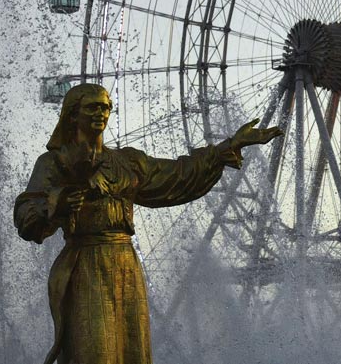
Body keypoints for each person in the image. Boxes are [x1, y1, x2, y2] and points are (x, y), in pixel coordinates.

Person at [14, 82, 281, 364]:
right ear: (72, 114)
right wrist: (59, 202)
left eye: (106, 107)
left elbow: (177, 174)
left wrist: (231, 145)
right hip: (86, 265)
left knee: (133, 353)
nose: (101, 113)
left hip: (126, 265)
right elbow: (26, 212)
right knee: (94, 351)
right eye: (92, 107)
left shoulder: (127, 162)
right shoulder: (55, 162)